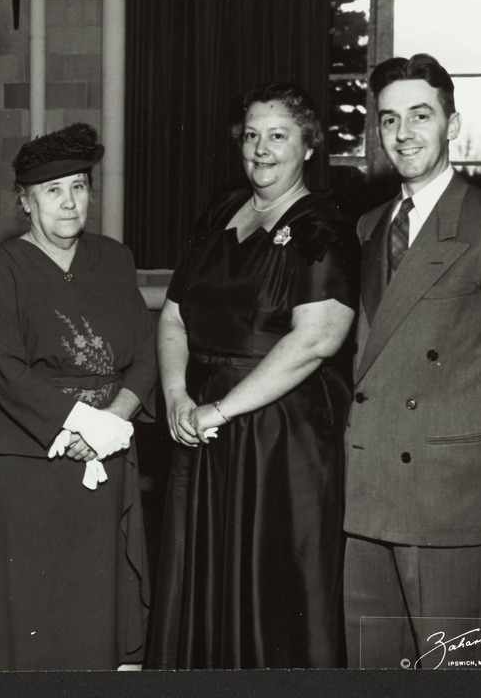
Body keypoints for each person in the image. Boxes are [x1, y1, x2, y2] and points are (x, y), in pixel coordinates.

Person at [147, 82, 359, 669]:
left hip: (277, 431)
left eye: (279, 135)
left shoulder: (324, 222)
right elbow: (173, 315)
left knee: (274, 585)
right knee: (205, 578)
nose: (261, 149)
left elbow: (318, 339)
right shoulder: (219, 211)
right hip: (201, 424)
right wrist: (174, 395)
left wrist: (219, 410)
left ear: (308, 146)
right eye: (252, 135)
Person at [342, 54, 481, 669]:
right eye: (389, 120)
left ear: (453, 124)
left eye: (421, 115)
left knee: (454, 670)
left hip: (450, 498)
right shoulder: (368, 226)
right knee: (374, 665)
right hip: (368, 491)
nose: (404, 134)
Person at [0, 123, 156, 671]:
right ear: (25, 202)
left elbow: (145, 353)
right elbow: (6, 372)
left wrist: (113, 420)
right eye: (53, 191)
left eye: (79, 186)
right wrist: (80, 427)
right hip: (33, 461)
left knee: (95, 607)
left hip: (108, 450)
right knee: (35, 612)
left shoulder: (115, 258)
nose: (69, 203)